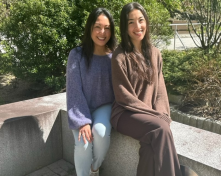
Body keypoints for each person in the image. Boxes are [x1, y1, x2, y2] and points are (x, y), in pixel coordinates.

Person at [111, 2, 182, 176]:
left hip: (148, 116)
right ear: (124, 26)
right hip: (125, 114)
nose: (137, 26)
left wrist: (162, 113)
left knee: (150, 147)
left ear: (146, 22)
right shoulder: (119, 56)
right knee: (160, 129)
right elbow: (123, 95)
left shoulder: (155, 53)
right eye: (131, 22)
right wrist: (155, 117)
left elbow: (160, 90)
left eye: (141, 20)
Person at [66, 7, 116, 176]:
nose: (102, 32)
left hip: (104, 106)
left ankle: (95, 168)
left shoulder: (114, 56)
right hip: (81, 108)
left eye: (107, 27)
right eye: (97, 27)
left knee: (101, 134)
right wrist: (83, 121)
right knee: (83, 143)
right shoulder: (77, 55)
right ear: (89, 28)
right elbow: (74, 89)